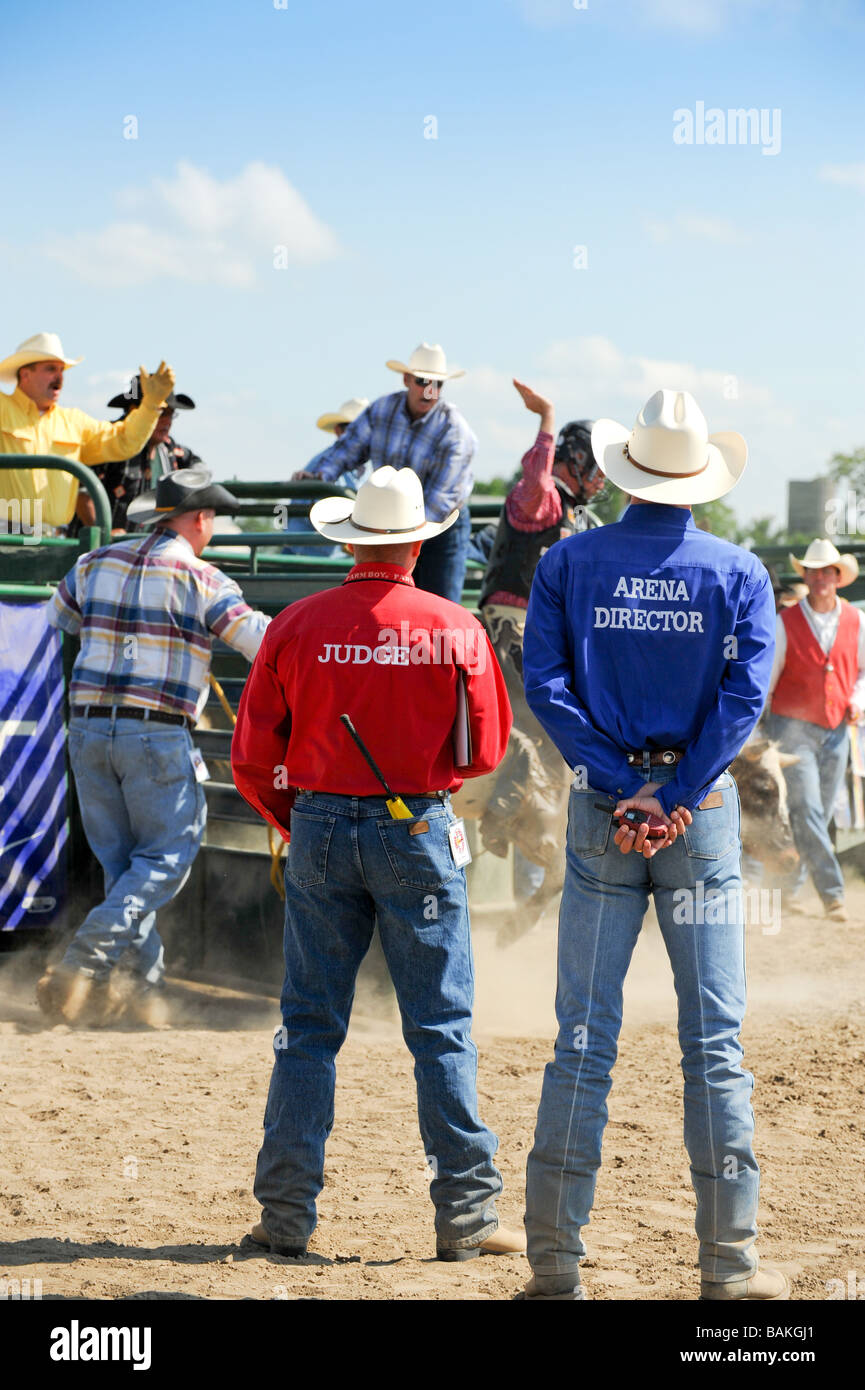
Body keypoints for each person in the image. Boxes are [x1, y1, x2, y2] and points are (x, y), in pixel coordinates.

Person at [519, 388, 786, 1301]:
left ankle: (554, 1271)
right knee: (712, 1042)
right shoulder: (738, 571)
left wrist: (619, 784)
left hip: (603, 809)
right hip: (695, 812)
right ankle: (729, 1271)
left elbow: (546, 684)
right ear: (700, 474)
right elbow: (742, 702)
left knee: (583, 1039)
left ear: (627, 471)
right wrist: (673, 793)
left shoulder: (568, 562)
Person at [231, 465, 524, 1262]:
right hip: (415, 824)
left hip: (319, 825)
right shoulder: (453, 627)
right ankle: (465, 1217)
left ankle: (285, 1216)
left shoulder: (295, 624)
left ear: (350, 540)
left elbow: (253, 756)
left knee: (308, 1028)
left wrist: (304, 820)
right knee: (440, 1026)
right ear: (415, 546)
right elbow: (484, 749)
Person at [37, 467, 270, 1028]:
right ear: (201, 519)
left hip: (89, 730)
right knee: (166, 859)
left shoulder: (94, 562)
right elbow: (260, 643)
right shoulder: (204, 580)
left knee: (124, 867)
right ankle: (82, 962)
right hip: (156, 732)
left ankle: (146, 991)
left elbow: (57, 617)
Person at [476, 380, 605, 919]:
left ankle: (541, 863)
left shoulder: (581, 520)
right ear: (572, 461)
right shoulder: (542, 498)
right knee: (539, 734)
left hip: (544, 640)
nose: (601, 481)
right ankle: (518, 831)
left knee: (559, 745)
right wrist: (547, 419)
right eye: (595, 468)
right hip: (513, 636)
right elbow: (532, 480)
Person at [293, 344, 476, 603]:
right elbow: (348, 448)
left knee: (438, 608)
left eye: (437, 384)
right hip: (394, 525)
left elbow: (441, 500)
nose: (429, 390)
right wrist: (322, 474)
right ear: (406, 379)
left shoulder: (455, 430)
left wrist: (405, 538)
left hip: (437, 531)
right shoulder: (382, 410)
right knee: (389, 603)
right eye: (423, 381)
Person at [766, 538, 864, 922]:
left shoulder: (856, 621)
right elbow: (769, 679)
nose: (820, 577)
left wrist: (857, 700)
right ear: (805, 575)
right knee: (806, 808)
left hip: (838, 726)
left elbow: (861, 674)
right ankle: (832, 893)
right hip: (792, 727)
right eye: (813, 571)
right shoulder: (784, 622)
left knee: (818, 815)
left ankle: (790, 889)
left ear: (838, 577)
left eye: (827, 571)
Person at [0, 332, 176, 529]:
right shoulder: (3, 408)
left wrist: (151, 405)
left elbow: (123, 441)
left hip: (54, 542)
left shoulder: (73, 421)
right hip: (5, 534)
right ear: (25, 374)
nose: (59, 377)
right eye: (50, 369)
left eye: (62, 370)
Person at [96, 375, 201, 532]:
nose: (168, 421)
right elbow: (82, 493)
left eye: (171, 414)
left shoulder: (168, 447)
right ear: (136, 413)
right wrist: (104, 532)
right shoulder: (107, 440)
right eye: (161, 413)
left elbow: (197, 465)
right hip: (101, 552)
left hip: (144, 548)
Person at [282, 396, 370, 557]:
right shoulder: (325, 462)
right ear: (338, 431)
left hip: (330, 554)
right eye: (352, 429)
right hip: (307, 555)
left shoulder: (367, 466)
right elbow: (320, 517)